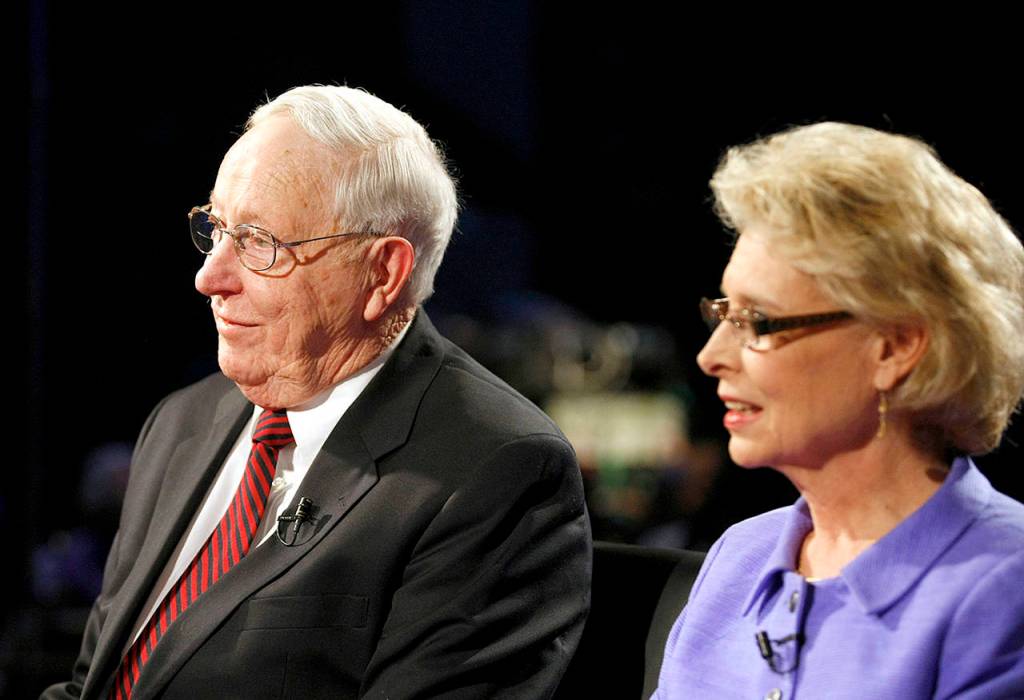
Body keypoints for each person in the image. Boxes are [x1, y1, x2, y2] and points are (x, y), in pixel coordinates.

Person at [42, 85, 591, 700]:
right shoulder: (183, 421)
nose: (208, 277)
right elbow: (94, 684)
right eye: (215, 228)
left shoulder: (497, 470)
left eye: (259, 242)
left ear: (382, 273)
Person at [654, 123, 1024, 699]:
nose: (711, 357)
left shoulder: (1004, 587)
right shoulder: (740, 557)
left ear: (895, 347)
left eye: (758, 321)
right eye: (723, 314)